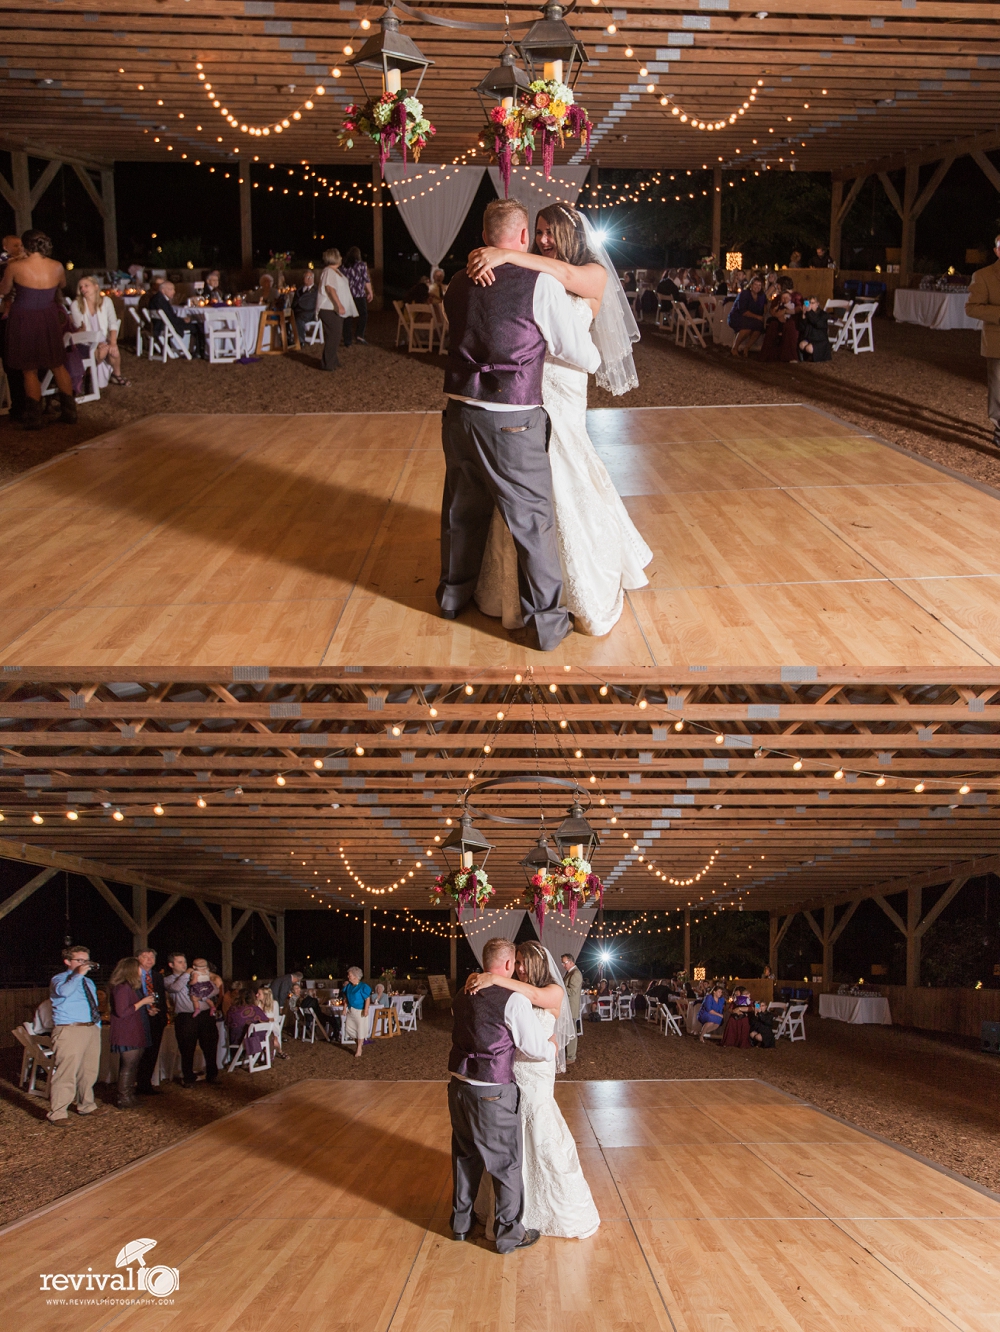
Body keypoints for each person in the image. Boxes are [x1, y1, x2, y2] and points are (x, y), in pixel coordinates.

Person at [461, 201, 650, 642]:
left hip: (566, 388)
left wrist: (504, 253)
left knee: (568, 476)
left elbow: (566, 281)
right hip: (529, 390)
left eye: (551, 232)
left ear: (573, 236)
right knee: (528, 487)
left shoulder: (591, 275)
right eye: (539, 231)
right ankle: (525, 587)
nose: (545, 239)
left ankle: (581, 584)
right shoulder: (535, 276)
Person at [461, 940, 598, 1243]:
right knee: (509, 1147)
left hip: (537, 1076)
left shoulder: (553, 991)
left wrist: (494, 977)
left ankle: (548, 1211)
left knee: (542, 1137)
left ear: (538, 964)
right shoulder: (512, 992)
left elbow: (535, 996)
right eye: (517, 962)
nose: (520, 967)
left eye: (524, 962)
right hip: (510, 1076)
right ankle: (510, 1215)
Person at [448, 937, 556, 1253]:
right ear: (508, 964)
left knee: (464, 1158)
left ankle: (460, 1225)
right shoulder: (513, 999)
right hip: (491, 1093)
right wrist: (551, 1047)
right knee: (506, 1165)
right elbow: (534, 1049)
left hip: (457, 1088)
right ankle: (509, 1234)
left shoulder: (462, 994)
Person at [0, 228, 76, 429]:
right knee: (57, 364)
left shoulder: (15, 267)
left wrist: (12, 264)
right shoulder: (57, 266)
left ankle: (34, 418)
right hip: (48, 316)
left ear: (25, 245)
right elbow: (62, 284)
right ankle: (70, 411)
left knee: (29, 368)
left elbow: (4, 290)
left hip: (24, 317)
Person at [47, 944, 102, 1124]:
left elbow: (93, 1003)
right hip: (69, 1029)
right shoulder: (60, 979)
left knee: (89, 1070)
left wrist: (97, 1026)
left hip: (90, 1028)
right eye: (79, 960)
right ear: (67, 961)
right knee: (66, 1071)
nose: (84, 964)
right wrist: (78, 974)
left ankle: (86, 1104)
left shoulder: (89, 982)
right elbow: (63, 992)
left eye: (86, 960)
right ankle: (58, 1112)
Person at [164, 953, 219, 1087]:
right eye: (180, 962)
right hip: (186, 1016)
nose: (184, 965)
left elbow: (215, 989)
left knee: (210, 1045)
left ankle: (212, 1075)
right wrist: (187, 974)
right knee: (187, 1048)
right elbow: (175, 989)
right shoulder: (169, 980)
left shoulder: (199, 975)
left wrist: (201, 996)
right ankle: (188, 1077)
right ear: (171, 965)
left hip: (205, 1014)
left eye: (184, 962)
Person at [966, 237, 1000, 450]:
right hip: (998, 342)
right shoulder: (984, 276)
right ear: (997, 251)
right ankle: (999, 426)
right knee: (999, 387)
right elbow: (972, 308)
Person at [108, 957, 155, 1108]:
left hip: (135, 1030)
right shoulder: (121, 987)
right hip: (127, 1032)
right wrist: (143, 1002)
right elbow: (122, 1012)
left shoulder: (131, 987)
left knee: (134, 1065)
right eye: (139, 968)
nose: (142, 971)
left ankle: (130, 1095)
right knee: (128, 1066)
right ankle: (123, 1098)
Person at [69, 275, 129, 388]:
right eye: (81, 287)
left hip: (103, 338)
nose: (83, 289)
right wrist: (96, 343)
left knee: (113, 350)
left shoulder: (106, 301)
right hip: (85, 340)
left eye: (86, 286)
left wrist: (113, 342)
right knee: (101, 351)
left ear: (96, 287)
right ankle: (89, 375)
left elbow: (113, 323)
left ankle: (116, 374)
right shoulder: (76, 305)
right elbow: (80, 328)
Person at [315, 248, 357, 372]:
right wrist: (338, 304)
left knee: (335, 335)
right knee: (335, 334)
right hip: (328, 308)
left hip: (333, 308)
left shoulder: (335, 271)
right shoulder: (329, 271)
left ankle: (331, 359)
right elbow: (330, 288)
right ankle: (328, 363)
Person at [0, 232, 27, 423]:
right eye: (15, 245)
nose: (19, 249)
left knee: (15, 362)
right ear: (5, 247)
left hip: (18, 317)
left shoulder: (25, 265)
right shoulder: (3, 265)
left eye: (21, 245)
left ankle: (21, 405)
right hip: (4, 316)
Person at [134, 948, 167, 1095]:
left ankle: (145, 1084)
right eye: (145, 956)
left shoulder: (157, 976)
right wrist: (144, 1008)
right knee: (135, 1053)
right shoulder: (132, 976)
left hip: (155, 1018)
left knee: (152, 1052)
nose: (149, 959)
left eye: (152, 956)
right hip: (137, 1018)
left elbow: (160, 996)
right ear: (137, 959)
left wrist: (157, 1009)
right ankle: (129, 1084)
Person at [148, 279, 206, 359]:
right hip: (164, 326)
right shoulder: (160, 300)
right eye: (170, 289)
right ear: (163, 290)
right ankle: (199, 351)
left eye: (173, 289)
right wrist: (182, 320)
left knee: (196, 324)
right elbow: (170, 318)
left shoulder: (157, 298)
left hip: (160, 325)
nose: (174, 292)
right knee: (198, 326)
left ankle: (197, 350)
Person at [728, 275, 767, 357]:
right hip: (738, 316)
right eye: (755, 285)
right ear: (751, 285)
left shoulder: (761, 296)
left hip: (752, 318)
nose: (757, 287)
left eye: (759, 285)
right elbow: (743, 311)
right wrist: (758, 317)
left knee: (759, 327)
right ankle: (734, 348)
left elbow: (764, 306)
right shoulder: (745, 293)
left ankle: (747, 348)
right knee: (747, 328)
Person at [226, 987, 270, 1060]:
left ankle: (242, 1057)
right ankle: (260, 1056)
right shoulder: (256, 1010)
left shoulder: (233, 1009)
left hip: (236, 1039)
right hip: (252, 1040)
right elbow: (266, 1022)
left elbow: (227, 1023)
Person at [342, 246, 373, 345]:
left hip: (348, 294)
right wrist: (370, 292)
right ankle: (359, 334)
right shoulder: (361, 265)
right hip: (359, 293)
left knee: (348, 316)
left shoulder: (344, 267)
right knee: (363, 314)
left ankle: (347, 339)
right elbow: (365, 279)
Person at [760, 290, 800, 363]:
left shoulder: (792, 304)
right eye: (783, 297)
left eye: (786, 297)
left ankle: (789, 356)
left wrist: (784, 311)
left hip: (787, 321)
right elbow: (774, 312)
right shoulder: (779, 304)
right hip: (778, 320)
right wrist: (779, 310)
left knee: (789, 328)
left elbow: (794, 311)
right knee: (773, 326)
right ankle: (767, 355)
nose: (785, 299)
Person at [341, 965, 371, 1057]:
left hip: (360, 1011)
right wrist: (344, 1008)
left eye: (349, 975)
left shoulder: (363, 986)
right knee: (349, 1028)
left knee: (360, 1029)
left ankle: (359, 1048)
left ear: (355, 976)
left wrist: (366, 1010)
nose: (348, 976)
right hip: (351, 1010)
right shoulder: (349, 986)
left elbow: (367, 999)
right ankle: (359, 1044)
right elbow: (346, 998)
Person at [561, 952, 583, 1063]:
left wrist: (561, 987)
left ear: (571, 962)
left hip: (571, 1007)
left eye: (564, 963)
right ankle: (568, 1054)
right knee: (568, 1031)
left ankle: (571, 1056)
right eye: (562, 963)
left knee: (572, 1032)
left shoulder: (576, 974)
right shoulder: (570, 973)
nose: (563, 965)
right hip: (567, 1007)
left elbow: (572, 991)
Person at [798, 298, 832, 362]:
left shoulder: (823, 314)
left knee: (809, 348)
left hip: (820, 339)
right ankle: (807, 357)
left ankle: (818, 357)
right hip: (810, 338)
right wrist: (803, 315)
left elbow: (817, 323)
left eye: (812, 303)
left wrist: (810, 311)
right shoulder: (807, 314)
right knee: (802, 345)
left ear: (817, 304)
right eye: (809, 303)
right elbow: (801, 328)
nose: (810, 305)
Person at [291, 271, 317, 345]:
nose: (308, 279)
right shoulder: (299, 289)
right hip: (297, 310)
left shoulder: (316, 290)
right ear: (303, 278)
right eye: (306, 277)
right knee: (284, 316)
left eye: (310, 277)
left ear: (313, 279)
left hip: (309, 312)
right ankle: (288, 338)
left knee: (299, 318)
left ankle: (300, 340)